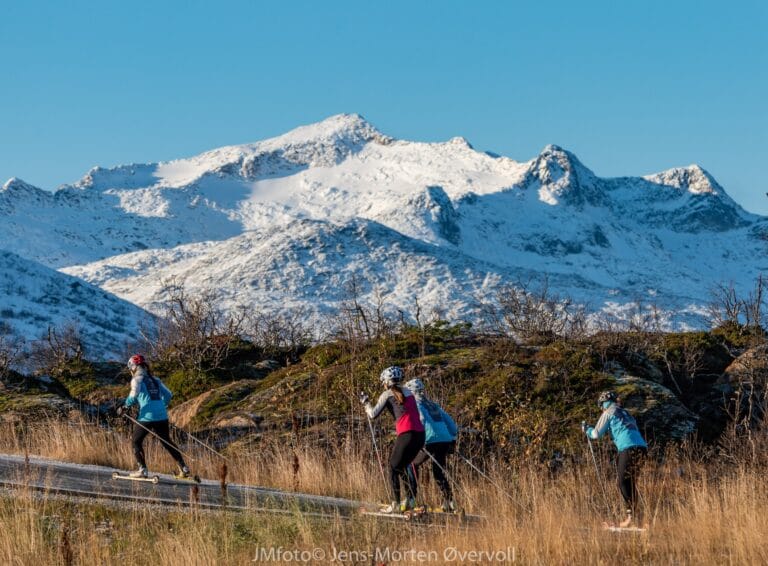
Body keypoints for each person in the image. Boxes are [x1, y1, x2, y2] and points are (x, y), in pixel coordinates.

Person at [360, 366, 425, 513]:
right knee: (402, 466)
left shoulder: (387, 394)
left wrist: (366, 402)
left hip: (407, 434)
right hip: (420, 435)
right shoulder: (409, 392)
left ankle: (395, 503)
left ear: (387, 382)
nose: (383, 384)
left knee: (393, 468)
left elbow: (373, 414)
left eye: (383, 381)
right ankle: (410, 500)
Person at [118, 354, 191, 479]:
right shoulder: (155, 379)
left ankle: (142, 470)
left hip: (147, 417)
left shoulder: (136, 380)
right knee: (166, 441)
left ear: (134, 367)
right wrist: (161, 406)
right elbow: (168, 395)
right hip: (162, 416)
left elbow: (133, 395)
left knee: (136, 441)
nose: (131, 371)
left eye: (131, 368)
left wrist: (125, 406)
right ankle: (183, 468)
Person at [582, 390, 648, 527]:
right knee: (630, 482)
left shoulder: (608, 412)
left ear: (603, 404)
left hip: (628, 447)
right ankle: (637, 518)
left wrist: (587, 429)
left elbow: (596, 434)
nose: (601, 409)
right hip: (642, 448)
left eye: (601, 406)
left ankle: (632, 519)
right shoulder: (626, 413)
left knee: (623, 482)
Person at [404, 378, 458, 512]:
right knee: (438, 471)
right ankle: (450, 502)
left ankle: (411, 499)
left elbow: (421, 419)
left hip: (430, 439)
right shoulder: (433, 405)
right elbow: (452, 424)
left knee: (411, 464)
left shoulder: (415, 404)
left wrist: (419, 438)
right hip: (445, 440)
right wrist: (452, 438)